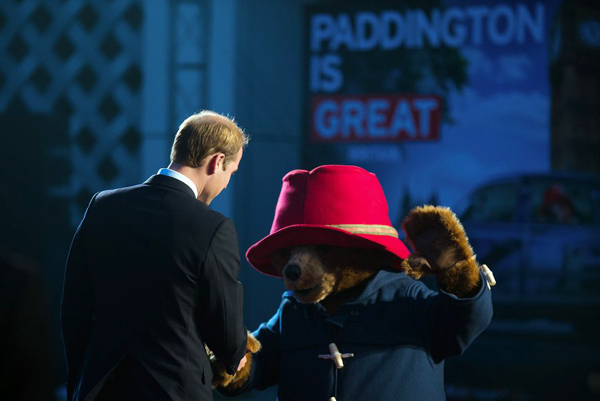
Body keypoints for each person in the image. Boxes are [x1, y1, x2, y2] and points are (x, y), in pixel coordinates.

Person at [61, 110, 250, 401]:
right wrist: (235, 354)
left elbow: (74, 309)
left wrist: (81, 382)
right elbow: (226, 331)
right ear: (218, 161)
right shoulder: (213, 228)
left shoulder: (103, 206)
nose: (226, 185)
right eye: (231, 174)